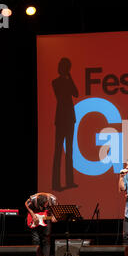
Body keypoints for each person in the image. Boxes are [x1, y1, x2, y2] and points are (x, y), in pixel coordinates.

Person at [51, 57, 79, 191]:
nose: (67, 70)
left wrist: (70, 77)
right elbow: (65, 95)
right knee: (58, 151)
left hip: (69, 118)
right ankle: (56, 184)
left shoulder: (67, 81)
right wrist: (68, 79)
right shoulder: (56, 82)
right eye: (66, 67)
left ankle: (69, 181)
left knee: (69, 150)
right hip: (62, 118)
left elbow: (76, 93)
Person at [25, 192, 58, 256]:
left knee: (46, 239)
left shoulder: (53, 199)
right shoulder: (33, 199)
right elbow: (26, 204)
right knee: (35, 240)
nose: (43, 206)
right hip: (34, 218)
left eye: (45, 204)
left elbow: (55, 209)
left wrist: (54, 216)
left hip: (47, 217)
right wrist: (33, 215)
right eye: (42, 205)